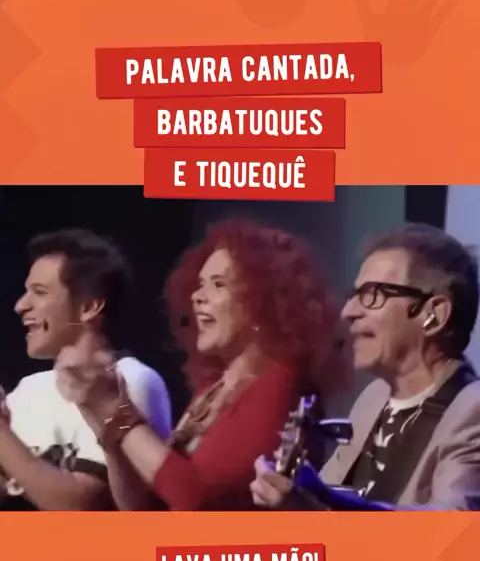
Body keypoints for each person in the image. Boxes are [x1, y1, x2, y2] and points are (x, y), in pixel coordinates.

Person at [54, 218, 349, 511]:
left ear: (263, 302)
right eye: (200, 284)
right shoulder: (212, 390)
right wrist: (108, 430)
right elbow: (141, 508)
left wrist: (119, 414)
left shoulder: (280, 382)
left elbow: (199, 500)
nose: (196, 297)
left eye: (218, 284)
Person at [250, 223, 480, 511]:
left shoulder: (472, 412)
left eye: (373, 295)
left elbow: (453, 531)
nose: (348, 312)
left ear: (433, 314)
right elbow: (327, 504)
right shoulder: (373, 398)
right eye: (354, 295)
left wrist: (322, 506)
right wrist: (297, 493)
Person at [0, 228, 172, 510]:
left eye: (39, 292)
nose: (21, 305)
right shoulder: (28, 388)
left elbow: (83, 508)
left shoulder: (130, 381)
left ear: (89, 306)